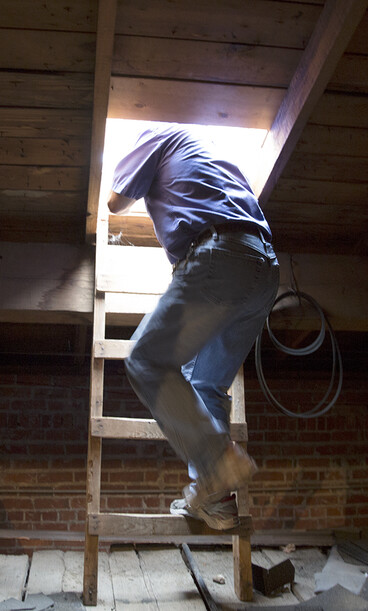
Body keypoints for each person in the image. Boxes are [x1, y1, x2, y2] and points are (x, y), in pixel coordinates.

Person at [106, 124, 280, 530]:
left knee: (146, 360)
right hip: (264, 267)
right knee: (204, 384)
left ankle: (219, 463)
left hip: (221, 257)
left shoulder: (153, 137)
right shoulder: (211, 154)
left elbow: (115, 202)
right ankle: (214, 499)